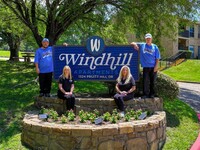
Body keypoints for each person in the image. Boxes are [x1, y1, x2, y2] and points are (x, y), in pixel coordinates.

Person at [131, 33, 161, 98]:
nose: (148, 39)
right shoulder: (142, 45)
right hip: (146, 67)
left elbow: (157, 58)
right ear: (145, 39)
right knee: (146, 82)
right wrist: (135, 45)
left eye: (149, 38)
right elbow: (132, 43)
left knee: (153, 82)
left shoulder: (155, 47)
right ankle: (146, 94)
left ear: (151, 39)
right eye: (147, 38)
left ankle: (152, 94)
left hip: (153, 67)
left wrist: (156, 66)